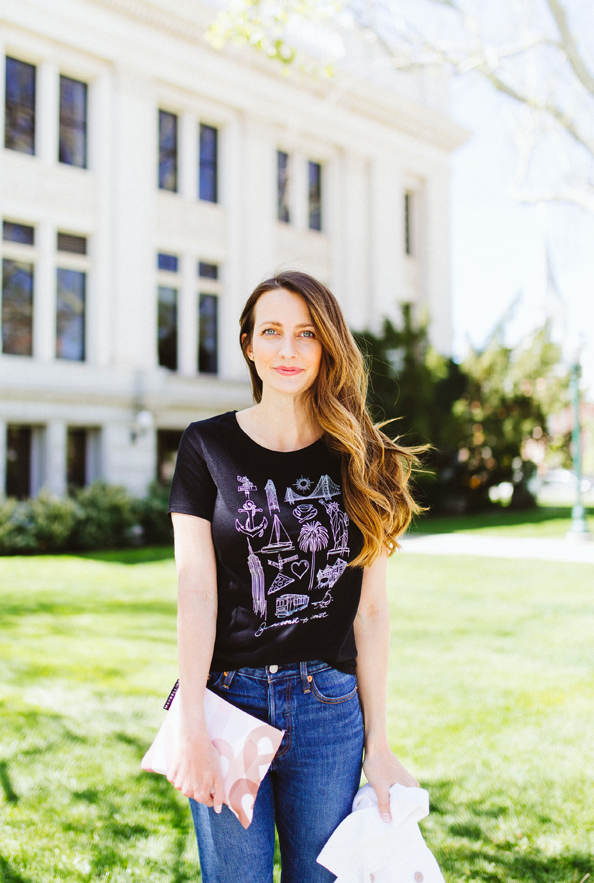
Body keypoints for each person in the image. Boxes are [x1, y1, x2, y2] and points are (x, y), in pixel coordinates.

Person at [168, 271, 421, 883]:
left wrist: (378, 745)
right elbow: (196, 592)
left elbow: (372, 610)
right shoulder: (205, 447)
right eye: (272, 332)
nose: (288, 349)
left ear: (328, 346)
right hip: (230, 703)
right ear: (249, 346)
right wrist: (192, 723)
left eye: (306, 334)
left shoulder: (364, 457)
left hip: (329, 710)